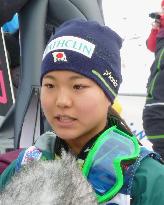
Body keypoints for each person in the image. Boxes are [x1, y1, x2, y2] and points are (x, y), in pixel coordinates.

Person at [0, 19, 164, 205]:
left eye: (78, 86)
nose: (62, 101)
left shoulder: (146, 180)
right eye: (50, 85)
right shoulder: (25, 163)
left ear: (109, 95)